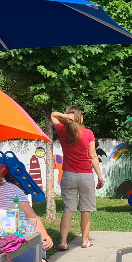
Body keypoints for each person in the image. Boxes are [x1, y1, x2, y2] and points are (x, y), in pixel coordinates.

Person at [51, 106, 105, 250]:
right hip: (86, 175)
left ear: (69, 117)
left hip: (68, 175)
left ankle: (63, 242)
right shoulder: (88, 133)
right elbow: (93, 156)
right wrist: (99, 176)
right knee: (85, 210)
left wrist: (64, 115)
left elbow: (52, 115)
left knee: (68, 209)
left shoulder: (62, 131)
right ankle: (85, 241)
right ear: (80, 118)